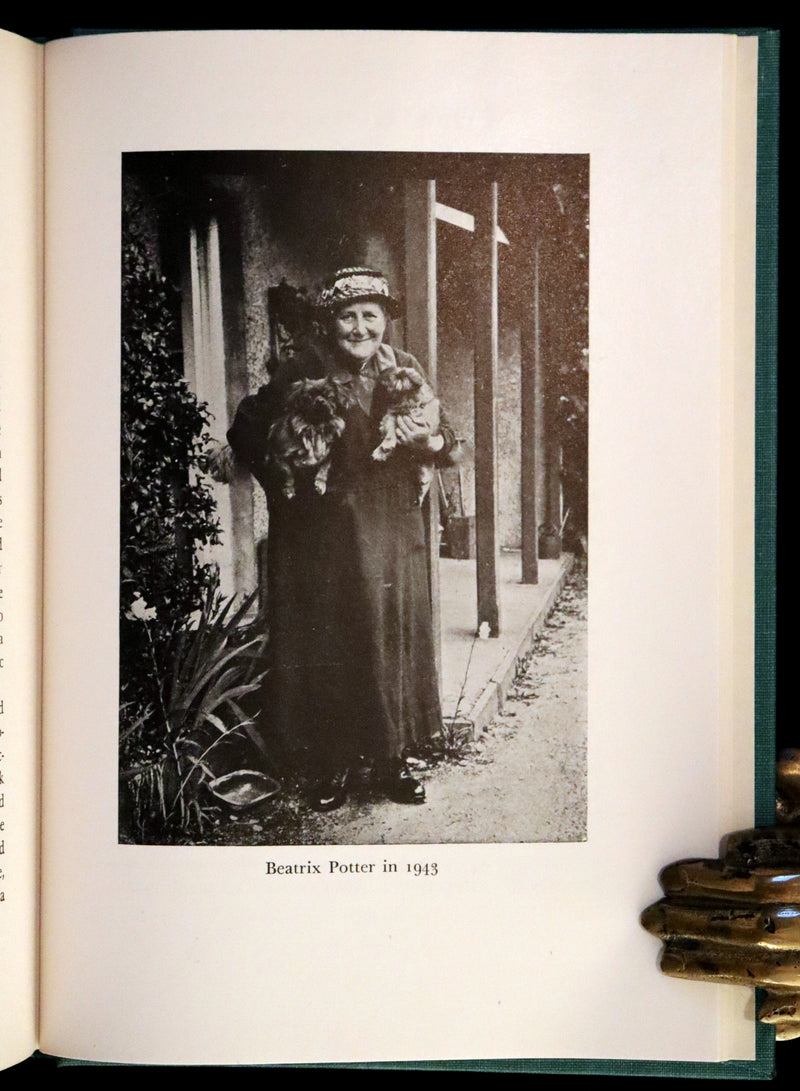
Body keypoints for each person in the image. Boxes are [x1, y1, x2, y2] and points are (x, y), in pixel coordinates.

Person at [227, 268, 456, 811]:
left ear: (385, 321)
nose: (359, 328)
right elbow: (246, 430)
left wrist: (432, 442)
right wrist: (290, 459)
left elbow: (449, 437)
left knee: (389, 640)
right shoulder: (303, 369)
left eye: (370, 316)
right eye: (347, 317)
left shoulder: (404, 368)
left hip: (392, 533)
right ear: (331, 323)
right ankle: (331, 764)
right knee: (331, 642)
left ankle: (391, 759)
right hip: (325, 537)